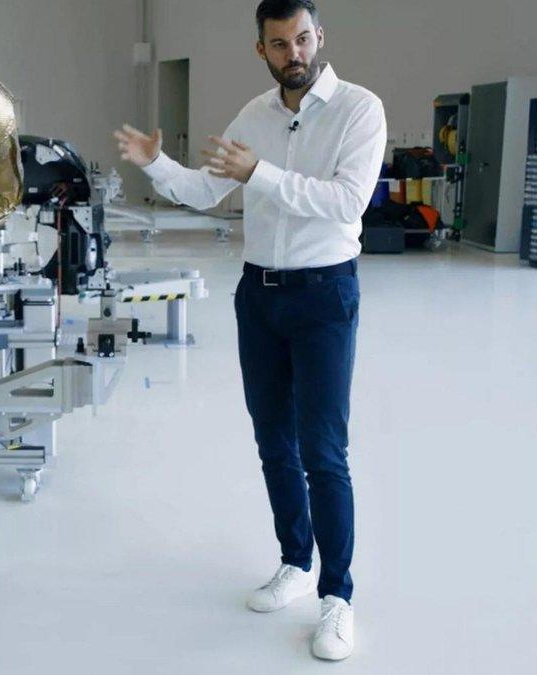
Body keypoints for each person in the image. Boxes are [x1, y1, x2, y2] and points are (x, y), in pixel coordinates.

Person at [114, 0, 385, 661]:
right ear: (261, 49)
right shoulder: (254, 116)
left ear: (318, 37)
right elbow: (206, 191)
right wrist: (155, 162)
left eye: (302, 39)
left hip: (324, 294)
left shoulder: (359, 109)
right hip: (258, 296)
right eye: (279, 43)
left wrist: (259, 173)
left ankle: (337, 596)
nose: (294, 53)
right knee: (274, 443)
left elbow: (346, 201)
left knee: (323, 450)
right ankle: (295, 561)